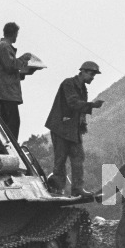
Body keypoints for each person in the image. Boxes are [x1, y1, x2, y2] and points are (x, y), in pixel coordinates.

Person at [44, 61, 104, 196]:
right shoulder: (69, 83)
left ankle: (77, 189)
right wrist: (92, 105)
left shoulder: (82, 88)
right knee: (60, 159)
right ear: (82, 71)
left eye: (94, 75)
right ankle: (58, 189)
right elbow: (73, 103)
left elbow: (79, 111)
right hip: (61, 127)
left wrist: (82, 125)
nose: (92, 77)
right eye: (91, 74)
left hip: (72, 129)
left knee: (78, 157)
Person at [0, 22, 32, 139]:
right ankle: (12, 148)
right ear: (13, 34)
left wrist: (25, 73)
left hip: (5, 92)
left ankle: (8, 147)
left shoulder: (2, 46)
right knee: (13, 124)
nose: (16, 37)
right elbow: (10, 65)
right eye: (16, 34)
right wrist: (24, 58)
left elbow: (8, 70)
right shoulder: (4, 46)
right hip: (7, 93)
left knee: (6, 124)